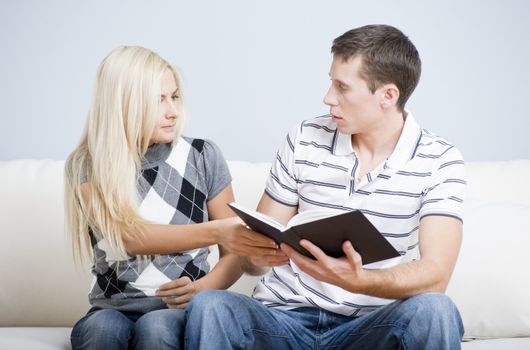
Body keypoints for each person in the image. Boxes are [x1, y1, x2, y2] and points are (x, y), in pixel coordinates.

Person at [185, 24, 466, 349]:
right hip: (283, 320)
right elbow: (252, 264)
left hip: (368, 326)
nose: (328, 98)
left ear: (388, 96)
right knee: (211, 307)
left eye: (342, 88)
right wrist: (259, 251)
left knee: (435, 310)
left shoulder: (439, 159)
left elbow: (436, 275)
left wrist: (360, 281)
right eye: (330, 82)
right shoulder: (303, 139)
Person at [64, 46, 277, 349]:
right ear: (122, 105)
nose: (173, 111)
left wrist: (203, 287)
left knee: (157, 327)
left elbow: (236, 254)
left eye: (174, 97)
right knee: (102, 329)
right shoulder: (87, 164)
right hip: (111, 309)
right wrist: (216, 231)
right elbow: (127, 236)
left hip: (176, 311)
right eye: (158, 100)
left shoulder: (202, 156)